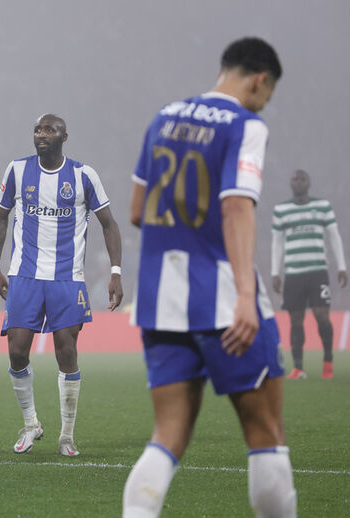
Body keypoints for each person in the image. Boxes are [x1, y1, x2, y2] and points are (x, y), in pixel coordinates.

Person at [122, 37, 296, 517]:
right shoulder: (246, 124)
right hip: (221, 299)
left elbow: (137, 210)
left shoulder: (164, 117)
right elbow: (237, 205)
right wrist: (245, 295)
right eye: (268, 94)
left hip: (160, 301)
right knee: (266, 433)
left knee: (167, 436)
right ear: (260, 80)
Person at [0, 114, 123, 457]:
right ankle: (31, 423)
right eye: (37, 129)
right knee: (17, 350)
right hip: (25, 275)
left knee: (66, 351)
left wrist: (116, 272)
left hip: (67, 278)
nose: (41, 134)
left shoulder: (83, 175)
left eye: (49, 130)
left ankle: (66, 435)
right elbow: (1, 217)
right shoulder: (17, 170)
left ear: (64, 136)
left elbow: (109, 224)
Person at [271, 169, 346, 380]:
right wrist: (275, 272)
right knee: (296, 320)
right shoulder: (281, 210)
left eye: (302, 178)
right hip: (293, 273)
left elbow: (334, 236)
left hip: (317, 271)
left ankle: (328, 363)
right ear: (290, 183)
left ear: (309, 183)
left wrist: (342, 266)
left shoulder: (322, 206)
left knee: (322, 316)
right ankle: (298, 367)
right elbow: (277, 242)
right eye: (295, 178)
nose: (298, 181)